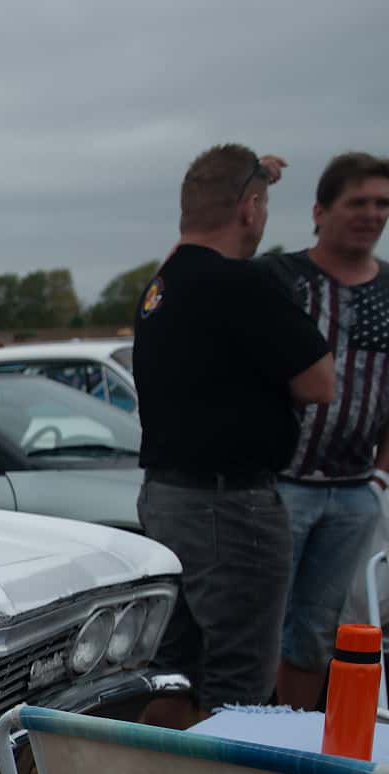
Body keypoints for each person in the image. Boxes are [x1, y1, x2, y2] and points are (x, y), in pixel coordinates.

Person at [133, 143, 336, 727]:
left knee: (173, 666)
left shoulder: (162, 286)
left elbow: (190, 247)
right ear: (249, 209)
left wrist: (249, 178)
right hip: (231, 507)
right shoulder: (245, 285)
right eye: (262, 205)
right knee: (238, 680)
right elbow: (320, 383)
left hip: (167, 498)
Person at [263, 152, 389, 709]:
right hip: (280, 483)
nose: (371, 214)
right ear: (320, 211)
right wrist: (251, 179)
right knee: (260, 625)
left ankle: (294, 736)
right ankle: (248, 735)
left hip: (356, 489)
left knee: (317, 632)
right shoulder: (281, 278)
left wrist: (380, 478)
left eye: (382, 204)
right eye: (357, 202)